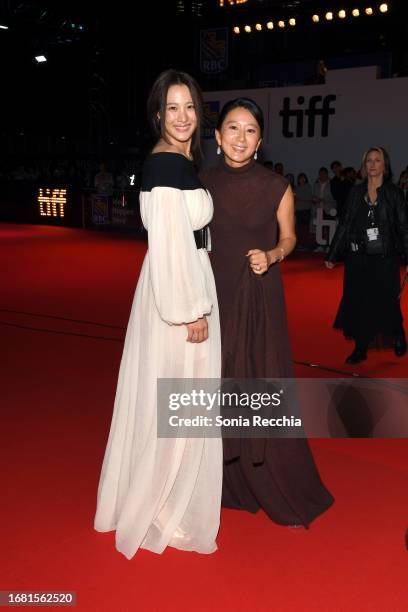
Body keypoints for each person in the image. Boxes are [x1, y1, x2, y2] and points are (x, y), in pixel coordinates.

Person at [94, 69, 222, 557]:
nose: (183, 116)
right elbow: (169, 246)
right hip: (179, 294)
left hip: (178, 282)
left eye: (189, 106)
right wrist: (190, 311)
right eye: (172, 108)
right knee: (180, 402)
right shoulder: (167, 165)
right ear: (158, 115)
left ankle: (161, 500)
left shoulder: (175, 162)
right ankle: (162, 509)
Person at [200, 97, 334, 527]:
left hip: (259, 293)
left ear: (260, 140)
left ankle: (274, 478)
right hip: (213, 294)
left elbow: (291, 238)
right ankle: (221, 482)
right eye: (233, 129)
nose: (241, 138)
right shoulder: (200, 185)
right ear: (218, 137)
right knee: (216, 383)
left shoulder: (277, 185)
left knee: (261, 378)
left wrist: (274, 254)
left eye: (251, 130)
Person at [325, 146, 408, 364]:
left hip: (385, 258)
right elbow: (344, 225)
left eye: (377, 160)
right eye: (368, 160)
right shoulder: (355, 192)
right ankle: (361, 348)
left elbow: (403, 227)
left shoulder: (394, 193)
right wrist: (333, 254)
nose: (372, 164)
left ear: (385, 165)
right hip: (357, 259)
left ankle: (397, 332)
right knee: (358, 302)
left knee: (387, 301)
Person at [294, 172, 313, 249]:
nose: (301, 179)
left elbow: (308, 198)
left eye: (303, 178)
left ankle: (305, 244)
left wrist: (299, 199)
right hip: (298, 210)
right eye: (300, 178)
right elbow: (294, 198)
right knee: (298, 228)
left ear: (305, 179)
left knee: (305, 228)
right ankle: (299, 244)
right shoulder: (296, 188)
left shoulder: (308, 187)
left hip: (306, 210)